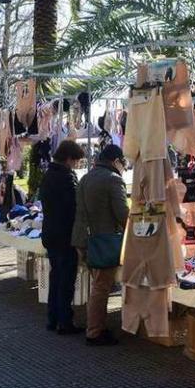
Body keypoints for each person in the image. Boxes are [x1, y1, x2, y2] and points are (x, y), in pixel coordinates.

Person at [72, 145, 129, 346]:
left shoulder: (86, 178)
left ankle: (94, 327)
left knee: (96, 285)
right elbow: (123, 214)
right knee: (101, 287)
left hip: (85, 240)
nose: (124, 167)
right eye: (123, 163)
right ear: (116, 161)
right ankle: (95, 331)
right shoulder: (113, 180)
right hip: (103, 241)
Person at [40, 140, 86, 335]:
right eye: (76, 161)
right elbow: (73, 208)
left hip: (50, 232)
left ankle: (53, 318)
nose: (76, 165)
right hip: (64, 235)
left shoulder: (48, 175)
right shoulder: (66, 178)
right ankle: (64, 321)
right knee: (66, 281)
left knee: (56, 277)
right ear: (68, 159)